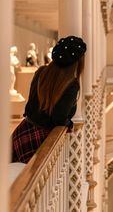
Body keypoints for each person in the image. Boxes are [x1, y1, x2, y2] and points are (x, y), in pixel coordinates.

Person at [11, 35, 87, 163]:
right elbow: (59, 118)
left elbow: (30, 105)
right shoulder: (71, 84)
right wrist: (69, 124)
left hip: (23, 131)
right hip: (39, 140)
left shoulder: (41, 72)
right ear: (78, 62)